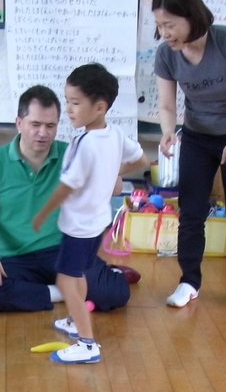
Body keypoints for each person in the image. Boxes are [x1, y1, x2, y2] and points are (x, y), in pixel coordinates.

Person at [153, 0, 226, 314]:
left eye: (170, 24)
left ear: (191, 16)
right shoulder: (166, 55)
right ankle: (189, 281)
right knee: (191, 212)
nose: (164, 33)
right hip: (198, 137)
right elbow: (167, 105)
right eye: (159, 25)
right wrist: (168, 132)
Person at [0, 86, 137, 314]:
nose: (43, 133)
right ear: (19, 123)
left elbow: (115, 186)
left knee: (115, 292)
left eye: (50, 126)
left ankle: (85, 281)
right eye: (35, 124)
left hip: (62, 251)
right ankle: (63, 293)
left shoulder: (72, 152)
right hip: (14, 257)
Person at [31, 64, 144, 364]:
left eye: (75, 102)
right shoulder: (115, 134)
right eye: (67, 100)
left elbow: (66, 187)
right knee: (77, 273)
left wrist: (42, 214)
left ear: (99, 106)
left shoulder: (85, 143)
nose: (68, 109)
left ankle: (87, 342)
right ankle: (73, 319)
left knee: (67, 280)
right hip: (97, 222)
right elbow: (140, 159)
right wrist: (110, 175)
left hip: (78, 226)